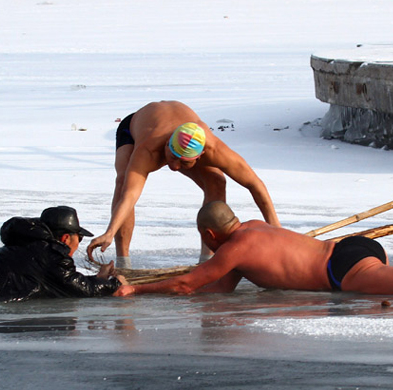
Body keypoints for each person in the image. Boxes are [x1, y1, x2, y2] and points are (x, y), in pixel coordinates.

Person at [116, 201, 393, 297]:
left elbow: (188, 285)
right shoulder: (252, 229)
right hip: (353, 248)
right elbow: (215, 288)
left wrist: (136, 289)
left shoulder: (234, 249)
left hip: (342, 269)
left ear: (210, 233)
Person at [88, 100, 280, 267]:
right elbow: (130, 196)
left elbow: (256, 185)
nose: (175, 167)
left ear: (201, 155)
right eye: (172, 157)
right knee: (123, 181)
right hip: (134, 127)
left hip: (181, 129)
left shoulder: (215, 150)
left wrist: (277, 231)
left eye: (184, 162)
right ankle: (124, 262)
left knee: (217, 181)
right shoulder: (149, 150)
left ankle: (207, 258)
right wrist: (109, 231)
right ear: (166, 146)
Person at [0, 206, 131, 302]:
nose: (78, 243)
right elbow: (81, 290)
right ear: (66, 238)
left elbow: (62, 280)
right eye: (79, 238)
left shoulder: (28, 246)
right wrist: (113, 283)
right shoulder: (50, 253)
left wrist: (99, 278)